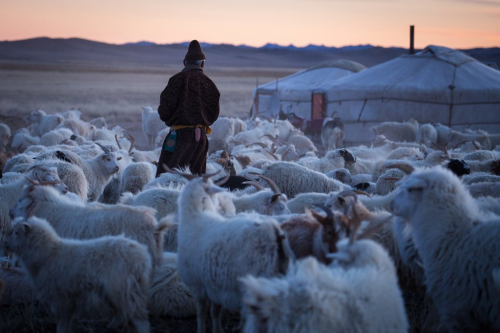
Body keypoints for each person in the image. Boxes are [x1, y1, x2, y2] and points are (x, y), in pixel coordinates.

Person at [156, 40, 220, 177]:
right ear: (203, 63)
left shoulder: (176, 80)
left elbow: (164, 110)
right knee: (196, 178)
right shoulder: (209, 84)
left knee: (168, 177)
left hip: (178, 136)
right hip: (201, 139)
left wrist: (175, 120)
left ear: (184, 63)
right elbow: (214, 114)